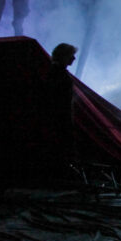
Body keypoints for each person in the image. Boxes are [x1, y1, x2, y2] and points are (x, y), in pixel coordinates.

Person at [43, 43, 77, 172]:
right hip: (58, 118)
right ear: (64, 56)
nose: (74, 58)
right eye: (71, 55)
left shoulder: (54, 72)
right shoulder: (59, 74)